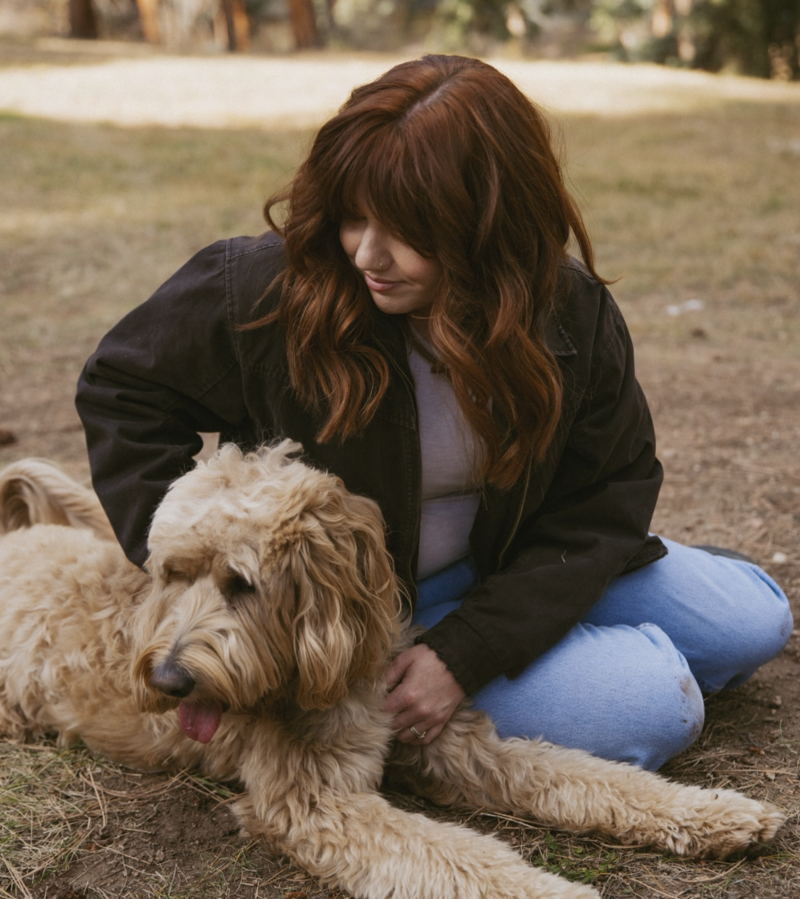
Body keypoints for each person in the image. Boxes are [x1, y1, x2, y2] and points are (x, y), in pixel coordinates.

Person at [75, 54, 792, 771]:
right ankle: (483, 681)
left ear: (488, 223)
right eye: (354, 216)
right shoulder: (261, 289)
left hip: (510, 566)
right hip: (362, 608)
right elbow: (121, 391)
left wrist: (469, 648)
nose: (367, 254)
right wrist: (176, 562)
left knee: (756, 622)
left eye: (407, 229)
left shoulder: (570, 313)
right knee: (659, 705)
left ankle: (543, 642)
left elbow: (606, 498)